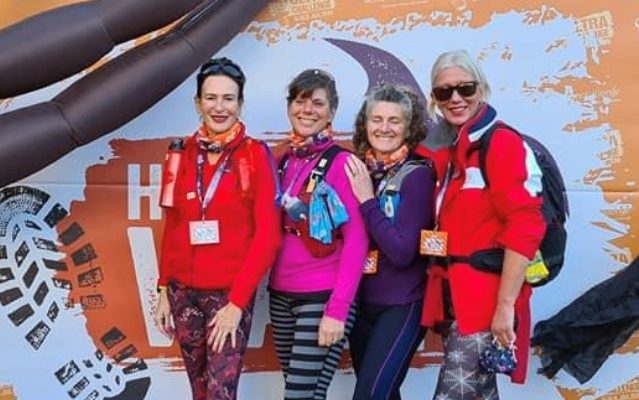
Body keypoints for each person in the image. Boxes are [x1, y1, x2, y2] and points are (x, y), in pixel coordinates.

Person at [416, 49, 546, 399]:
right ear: (434, 99)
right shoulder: (448, 149)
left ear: (482, 89)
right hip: (455, 299)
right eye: (444, 91)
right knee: (479, 394)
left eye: (465, 88)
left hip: (486, 303)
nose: (455, 98)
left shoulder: (501, 143)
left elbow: (526, 227)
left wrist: (505, 306)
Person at [153, 57, 281, 400]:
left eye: (228, 98)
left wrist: (237, 302)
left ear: (240, 103)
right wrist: (163, 287)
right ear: (198, 103)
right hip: (183, 293)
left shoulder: (255, 154)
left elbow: (268, 236)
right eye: (211, 98)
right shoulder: (181, 152)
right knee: (199, 391)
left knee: (220, 392)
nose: (219, 107)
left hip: (228, 295)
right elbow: (173, 224)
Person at [268, 68, 368, 400]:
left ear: (332, 112)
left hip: (322, 295)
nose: (307, 110)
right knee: (309, 394)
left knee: (299, 396)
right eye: (300, 101)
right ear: (289, 106)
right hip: (280, 294)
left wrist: (338, 309)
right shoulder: (281, 159)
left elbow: (357, 240)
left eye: (318, 103)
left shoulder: (342, 162)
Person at [344, 84, 435, 400]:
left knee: (369, 396)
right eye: (377, 119)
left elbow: (401, 251)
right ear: (365, 124)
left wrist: (368, 201)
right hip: (361, 303)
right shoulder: (361, 171)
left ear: (408, 128)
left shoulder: (416, 176)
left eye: (394, 121)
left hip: (402, 303)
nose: (384, 128)